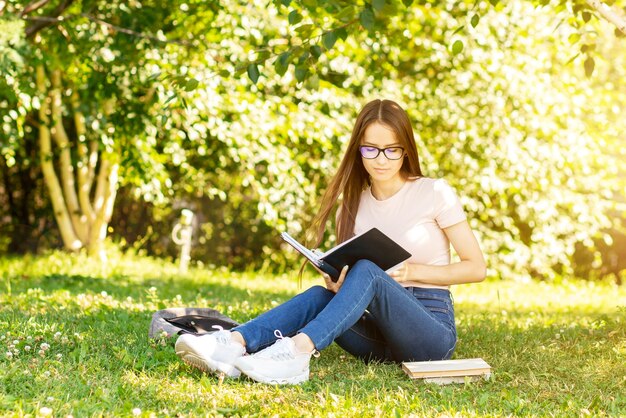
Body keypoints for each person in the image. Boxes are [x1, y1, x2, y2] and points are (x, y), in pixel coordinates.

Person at [175, 99, 486, 385]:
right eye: (371, 149)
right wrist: (340, 282)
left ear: (406, 150)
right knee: (320, 295)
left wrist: (410, 273)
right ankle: (232, 344)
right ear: (358, 150)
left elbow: (476, 269)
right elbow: (354, 279)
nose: (381, 159)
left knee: (367, 270)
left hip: (428, 331)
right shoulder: (353, 205)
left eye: (392, 149)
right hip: (376, 337)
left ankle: (297, 353)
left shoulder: (433, 192)